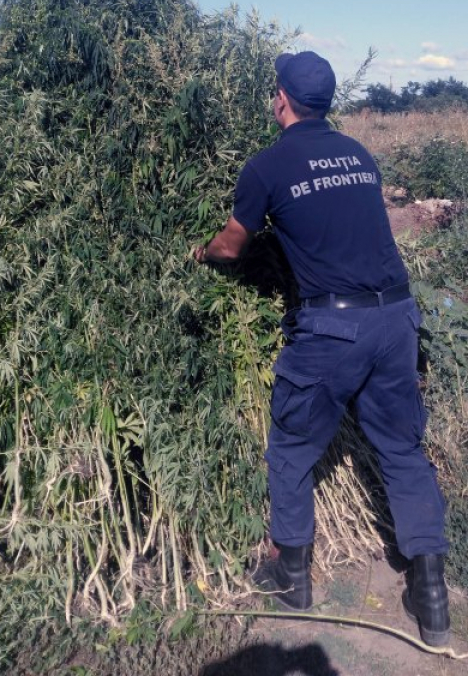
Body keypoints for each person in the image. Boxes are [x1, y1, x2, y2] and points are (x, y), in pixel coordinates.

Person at [193, 51, 450, 647]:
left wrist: (201, 254)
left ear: (281, 99)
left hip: (333, 330)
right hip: (396, 318)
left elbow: (232, 246)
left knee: (291, 445)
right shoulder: (359, 154)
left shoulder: (267, 166)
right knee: (402, 449)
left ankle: (291, 577)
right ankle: (433, 599)